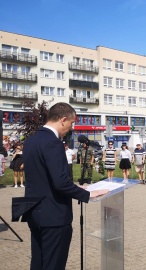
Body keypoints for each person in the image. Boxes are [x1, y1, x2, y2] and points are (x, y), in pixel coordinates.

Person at [23, 102, 107, 270]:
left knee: (38, 262)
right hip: (53, 215)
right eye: (71, 123)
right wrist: (88, 194)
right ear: (63, 120)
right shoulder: (53, 143)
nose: (71, 128)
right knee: (53, 264)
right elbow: (60, 183)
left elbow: (43, 178)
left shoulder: (31, 140)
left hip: (33, 211)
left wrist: (76, 188)